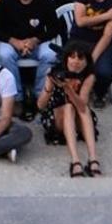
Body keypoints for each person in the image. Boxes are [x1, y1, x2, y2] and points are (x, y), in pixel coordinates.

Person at [0, 0, 61, 118]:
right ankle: (17, 99)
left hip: (37, 42)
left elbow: (55, 27)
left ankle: (40, 96)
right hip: (13, 42)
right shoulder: (7, 0)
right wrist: (14, 41)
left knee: (49, 55)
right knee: (4, 54)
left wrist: (36, 40)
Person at [37, 41, 100, 177]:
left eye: (80, 58)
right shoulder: (57, 72)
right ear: (66, 59)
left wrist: (68, 89)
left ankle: (93, 158)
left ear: (86, 61)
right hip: (57, 117)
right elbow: (40, 106)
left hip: (79, 116)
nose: (75, 61)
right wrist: (49, 86)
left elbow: (82, 106)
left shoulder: (89, 75)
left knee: (81, 108)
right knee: (68, 107)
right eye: (72, 57)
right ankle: (75, 161)